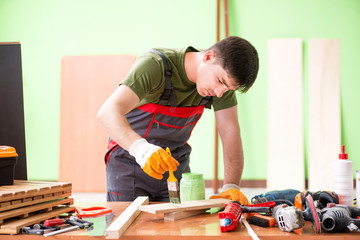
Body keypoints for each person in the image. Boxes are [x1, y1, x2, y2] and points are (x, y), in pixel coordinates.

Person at [97, 36, 259, 204]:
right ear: (208, 57)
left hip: (174, 168)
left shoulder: (219, 86)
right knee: (129, 227)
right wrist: (141, 150)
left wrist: (231, 186)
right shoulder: (155, 65)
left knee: (179, 227)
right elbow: (108, 112)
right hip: (129, 166)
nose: (220, 93)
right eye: (220, 81)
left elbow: (229, 130)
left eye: (228, 89)